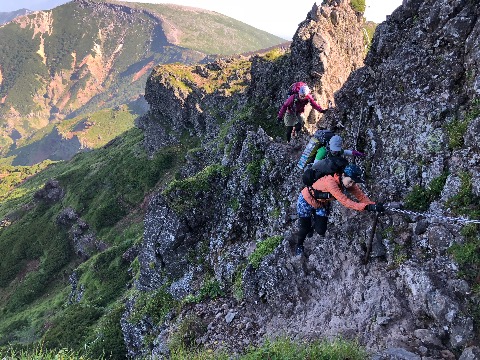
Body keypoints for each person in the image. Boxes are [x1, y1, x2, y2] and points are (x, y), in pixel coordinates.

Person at [295, 164, 384, 256]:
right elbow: (345, 201)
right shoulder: (330, 182)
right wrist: (367, 207)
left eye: (354, 182)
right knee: (304, 228)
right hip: (306, 200)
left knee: (321, 230)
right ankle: (299, 245)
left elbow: (360, 196)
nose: (351, 184)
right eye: (350, 181)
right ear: (343, 175)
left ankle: (312, 220)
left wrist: (374, 205)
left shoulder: (347, 182)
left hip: (321, 204)